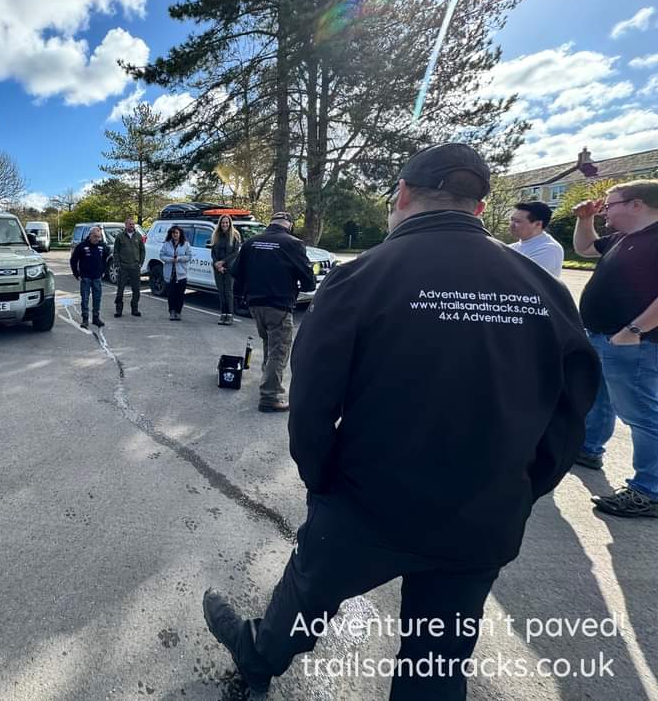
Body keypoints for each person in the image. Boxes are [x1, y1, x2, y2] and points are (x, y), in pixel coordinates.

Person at [202, 143, 601, 699]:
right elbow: (572, 409)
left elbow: (312, 402)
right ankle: (264, 654)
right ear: (480, 207)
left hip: (369, 500)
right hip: (484, 510)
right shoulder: (545, 289)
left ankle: (258, 657)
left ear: (403, 195)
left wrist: (322, 481)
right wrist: (521, 488)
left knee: (306, 596)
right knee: (438, 661)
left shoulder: (361, 276)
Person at [572, 180, 658, 518]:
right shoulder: (623, 237)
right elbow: (585, 249)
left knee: (642, 414)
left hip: (635, 342)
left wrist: (633, 330)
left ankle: (649, 491)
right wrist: (584, 219)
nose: (604, 209)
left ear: (637, 204)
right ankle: (589, 448)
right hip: (604, 335)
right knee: (600, 397)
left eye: (610, 204)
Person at [230, 212, 315, 411]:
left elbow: (236, 273)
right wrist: (305, 285)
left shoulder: (251, 243)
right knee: (279, 350)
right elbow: (308, 279)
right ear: (289, 225)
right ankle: (270, 396)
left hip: (255, 304)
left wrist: (240, 298)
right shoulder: (293, 244)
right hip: (279, 304)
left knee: (269, 342)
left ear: (271, 223)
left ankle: (266, 380)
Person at [508, 200, 564, 278]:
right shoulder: (511, 247)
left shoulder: (549, 249)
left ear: (538, 224)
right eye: (512, 220)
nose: (512, 225)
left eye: (518, 221)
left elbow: (518, 278)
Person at [70, 226, 107, 329]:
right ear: (90, 235)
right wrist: (76, 274)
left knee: (97, 298)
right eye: (95, 236)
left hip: (97, 277)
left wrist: (103, 271)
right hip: (85, 277)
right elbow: (73, 260)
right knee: (85, 299)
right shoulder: (82, 246)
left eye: (99, 237)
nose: (97, 239)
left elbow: (105, 258)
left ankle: (96, 318)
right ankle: (85, 319)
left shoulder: (102, 246)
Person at [210, 214, 242, 325]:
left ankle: (230, 315)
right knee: (221, 291)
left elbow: (236, 252)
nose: (225, 224)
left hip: (230, 267)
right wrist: (216, 264)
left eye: (227, 222)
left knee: (228, 291)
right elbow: (213, 252)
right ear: (220, 223)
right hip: (217, 267)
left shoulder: (235, 235)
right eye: (223, 222)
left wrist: (222, 262)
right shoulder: (215, 235)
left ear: (230, 223)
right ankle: (223, 314)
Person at [112, 217, 144, 318]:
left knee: (136, 290)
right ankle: (118, 310)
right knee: (120, 290)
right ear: (125, 225)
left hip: (135, 267)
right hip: (123, 267)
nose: (132, 226)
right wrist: (118, 264)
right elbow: (116, 251)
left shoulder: (138, 236)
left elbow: (142, 250)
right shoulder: (120, 236)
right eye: (130, 224)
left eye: (133, 224)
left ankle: (135, 309)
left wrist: (140, 263)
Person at [160, 225, 192, 321]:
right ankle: (172, 312)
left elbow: (189, 256)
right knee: (171, 294)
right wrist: (170, 259)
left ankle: (178, 312)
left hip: (181, 274)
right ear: (171, 234)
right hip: (170, 274)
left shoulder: (185, 244)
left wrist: (179, 259)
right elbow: (161, 255)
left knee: (180, 295)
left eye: (177, 233)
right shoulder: (166, 244)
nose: (175, 234)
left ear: (180, 234)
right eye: (173, 233)